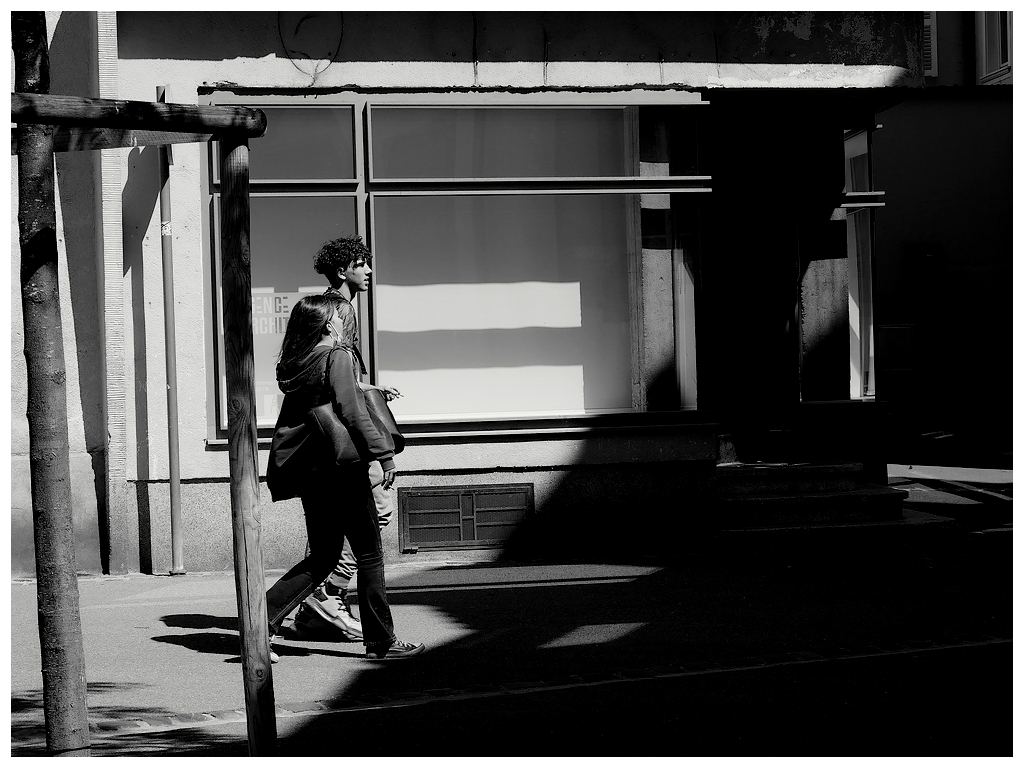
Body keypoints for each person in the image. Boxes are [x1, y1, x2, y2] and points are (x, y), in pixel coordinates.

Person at [265, 294, 424, 661]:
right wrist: (384, 456)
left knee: (322, 556)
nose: (342, 321)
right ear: (325, 322)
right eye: (337, 315)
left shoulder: (296, 362)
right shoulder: (336, 355)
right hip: (343, 470)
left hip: (312, 472)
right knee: (369, 555)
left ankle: (259, 622)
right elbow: (351, 412)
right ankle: (382, 642)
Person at [291, 236, 401, 642]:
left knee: (345, 532)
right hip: (349, 441)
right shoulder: (340, 309)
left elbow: (339, 378)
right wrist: (383, 452)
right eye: (361, 263)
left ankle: (321, 602)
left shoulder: (325, 307)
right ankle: (329, 594)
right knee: (378, 513)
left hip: (335, 440)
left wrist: (366, 386)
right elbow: (339, 383)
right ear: (343, 270)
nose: (369, 270)